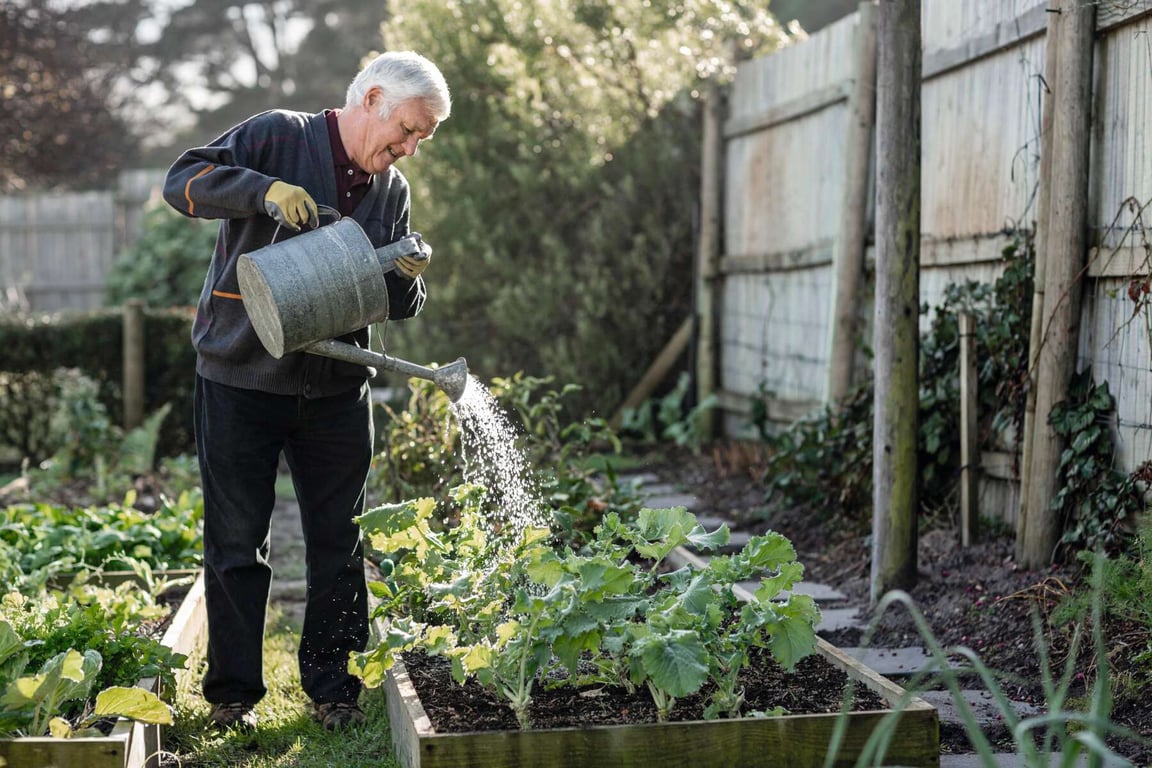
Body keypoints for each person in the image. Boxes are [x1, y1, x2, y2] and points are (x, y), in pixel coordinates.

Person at [162, 51, 451, 732]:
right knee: (236, 542)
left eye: (421, 141)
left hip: (335, 387)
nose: (409, 148)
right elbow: (182, 182)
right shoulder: (276, 136)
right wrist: (262, 193)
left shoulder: (392, 191)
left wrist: (408, 274)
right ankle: (234, 697)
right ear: (374, 98)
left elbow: (396, 302)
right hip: (239, 375)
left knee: (340, 543)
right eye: (408, 130)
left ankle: (334, 689)